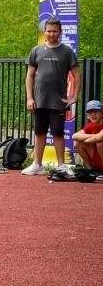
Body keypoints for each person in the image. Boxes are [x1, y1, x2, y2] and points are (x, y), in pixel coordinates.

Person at [22, 17, 81, 176]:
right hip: (39, 99)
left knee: (57, 132)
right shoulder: (36, 50)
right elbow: (29, 76)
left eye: (55, 31)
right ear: (45, 32)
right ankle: (37, 164)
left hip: (58, 100)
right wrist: (30, 98)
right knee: (40, 131)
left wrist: (74, 96)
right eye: (49, 31)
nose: (52, 34)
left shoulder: (67, 52)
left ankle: (61, 165)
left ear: (60, 32)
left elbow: (77, 75)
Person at [71, 98, 103, 175]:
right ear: (87, 116)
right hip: (95, 159)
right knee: (77, 143)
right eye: (90, 112)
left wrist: (86, 139)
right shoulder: (90, 126)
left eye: (96, 112)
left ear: (102, 113)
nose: (93, 114)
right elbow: (74, 136)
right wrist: (94, 136)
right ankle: (90, 169)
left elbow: (100, 138)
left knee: (100, 143)